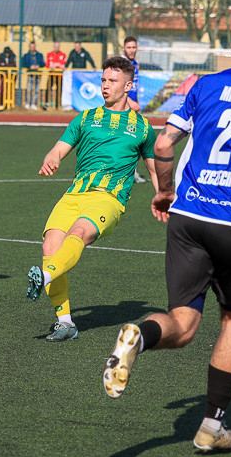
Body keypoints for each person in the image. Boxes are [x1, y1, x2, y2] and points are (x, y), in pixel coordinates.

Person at [102, 6, 231, 454]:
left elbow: (163, 143)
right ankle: (212, 426)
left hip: (189, 217)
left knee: (183, 322)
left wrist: (165, 191)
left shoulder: (204, 85)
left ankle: (142, 334)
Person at [26, 56, 157, 342]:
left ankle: (44, 278)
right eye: (103, 80)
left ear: (128, 85)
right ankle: (65, 323)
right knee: (51, 246)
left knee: (80, 233)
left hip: (108, 199)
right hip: (75, 194)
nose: (105, 86)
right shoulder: (85, 118)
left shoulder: (143, 127)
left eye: (113, 81)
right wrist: (52, 159)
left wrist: (162, 195)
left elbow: (153, 167)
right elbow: (58, 149)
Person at [122, 36, 148, 183]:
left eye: (133, 47)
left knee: (137, 140)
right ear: (124, 48)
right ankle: (128, 172)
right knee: (130, 140)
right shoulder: (122, 64)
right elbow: (118, 88)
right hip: (124, 107)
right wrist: (130, 102)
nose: (131, 50)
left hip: (133, 108)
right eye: (129, 47)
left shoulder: (134, 64)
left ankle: (131, 171)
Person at [21, 41, 44, 110]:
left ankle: (34, 103)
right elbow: (23, 63)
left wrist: (38, 66)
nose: (32, 48)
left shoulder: (39, 55)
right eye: (31, 46)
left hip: (37, 74)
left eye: (33, 46)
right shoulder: (26, 55)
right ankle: (28, 103)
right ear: (29, 47)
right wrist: (29, 67)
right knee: (29, 89)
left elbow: (42, 63)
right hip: (30, 74)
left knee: (36, 90)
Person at [44, 41, 67, 109]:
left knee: (59, 90)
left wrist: (56, 66)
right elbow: (47, 64)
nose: (56, 48)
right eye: (55, 47)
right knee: (48, 89)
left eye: (58, 47)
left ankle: (58, 105)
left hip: (59, 76)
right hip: (51, 75)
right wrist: (55, 66)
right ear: (53, 47)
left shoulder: (63, 55)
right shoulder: (49, 54)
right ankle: (46, 103)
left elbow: (63, 64)